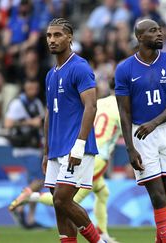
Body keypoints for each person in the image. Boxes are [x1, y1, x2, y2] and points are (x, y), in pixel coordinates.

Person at [9, 80, 121, 243]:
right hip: (96, 155)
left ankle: (102, 232)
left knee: (102, 192)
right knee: (66, 201)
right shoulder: (120, 107)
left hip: (81, 146)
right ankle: (31, 196)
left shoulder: (100, 102)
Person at [115, 19, 166, 243]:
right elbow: (124, 113)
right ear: (139, 37)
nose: (159, 34)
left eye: (160, 30)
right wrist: (130, 149)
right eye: (153, 31)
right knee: (158, 197)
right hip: (140, 135)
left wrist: (154, 123)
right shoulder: (124, 68)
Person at [43, 18, 104, 243]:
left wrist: (79, 145)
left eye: (58, 35)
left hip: (75, 146)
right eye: (49, 35)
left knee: (61, 200)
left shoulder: (79, 67)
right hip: (56, 149)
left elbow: (92, 105)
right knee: (59, 206)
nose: (52, 40)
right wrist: (45, 152)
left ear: (70, 38)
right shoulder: (51, 74)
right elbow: (49, 114)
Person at [6, 79, 46, 229]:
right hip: (23, 147)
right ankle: (18, 207)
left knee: (34, 184)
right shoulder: (18, 104)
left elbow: (42, 121)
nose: (33, 91)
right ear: (25, 88)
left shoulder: (36, 103)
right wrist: (30, 122)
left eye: (35, 88)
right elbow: (8, 124)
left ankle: (30, 220)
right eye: (30, 88)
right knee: (39, 180)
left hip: (35, 146)